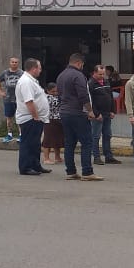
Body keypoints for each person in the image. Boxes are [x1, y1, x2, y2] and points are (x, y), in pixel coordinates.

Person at [55, 53, 103, 181]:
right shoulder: (78, 75)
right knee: (87, 142)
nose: (82, 66)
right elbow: (83, 95)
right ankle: (87, 172)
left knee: (69, 142)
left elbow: (59, 94)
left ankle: (70, 171)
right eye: (82, 64)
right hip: (77, 113)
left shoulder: (61, 75)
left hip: (64, 112)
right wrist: (90, 110)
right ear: (79, 63)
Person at [15, 58, 50, 176]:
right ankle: (25, 167)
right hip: (29, 118)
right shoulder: (26, 82)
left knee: (35, 144)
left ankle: (35, 165)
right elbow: (29, 101)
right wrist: (35, 116)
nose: (40, 71)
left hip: (36, 118)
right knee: (28, 143)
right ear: (34, 68)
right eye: (39, 68)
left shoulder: (32, 80)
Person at [88, 64, 121, 165]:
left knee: (107, 135)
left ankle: (108, 156)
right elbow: (90, 101)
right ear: (94, 73)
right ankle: (96, 157)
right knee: (96, 136)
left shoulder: (106, 82)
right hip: (98, 114)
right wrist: (96, 114)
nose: (102, 76)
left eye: (103, 74)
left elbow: (110, 96)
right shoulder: (91, 84)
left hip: (107, 113)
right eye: (100, 74)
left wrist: (112, 110)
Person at [0, 57, 22, 143]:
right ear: (10, 63)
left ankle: (21, 135)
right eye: (12, 62)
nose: (14, 63)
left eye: (16, 62)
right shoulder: (5, 73)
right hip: (8, 99)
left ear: (18, 63)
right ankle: (9, 134)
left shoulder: (21, 73)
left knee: (19, 118)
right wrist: (0, 91)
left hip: (19, 99)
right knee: (9, 118)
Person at [42, 82, 63, 166]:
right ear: (48, 91)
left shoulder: (59, 97)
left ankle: (57, 156)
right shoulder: (45, 98)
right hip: (49, 120)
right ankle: (46, 158)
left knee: (58, 139)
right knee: (48, 139)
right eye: (53, 91)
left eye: (56, 91)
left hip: (59, 119)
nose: (55, 93)